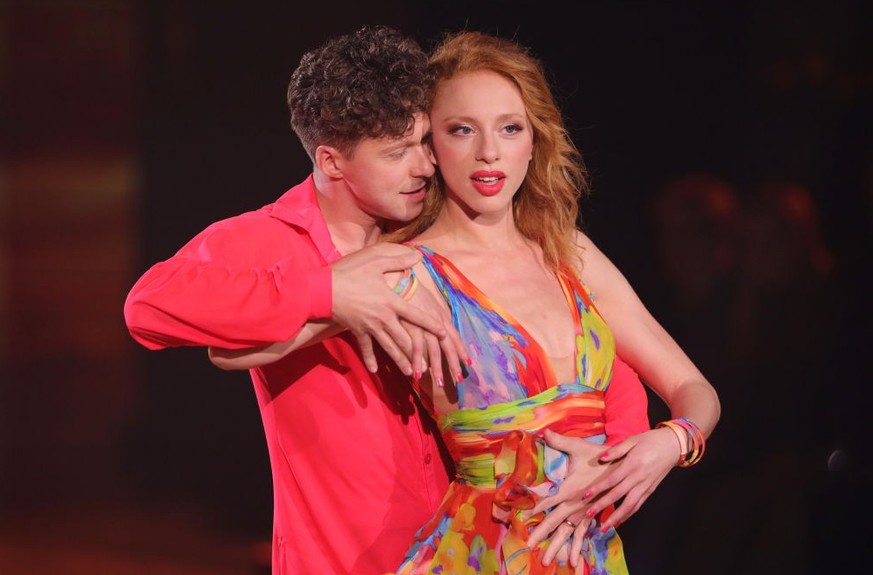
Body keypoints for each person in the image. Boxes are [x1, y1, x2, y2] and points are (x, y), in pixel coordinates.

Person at [124, 25, 650, 575]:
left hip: (472, 548)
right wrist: (329, 291)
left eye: (425, 142)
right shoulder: (272, 238)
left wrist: (620, 457)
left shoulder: (439, 236)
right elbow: (151, 308)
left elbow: (586, 359)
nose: (424, 165)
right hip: (343, 558)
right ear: (331, 162)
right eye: (398, 152)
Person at [381, 31, 720, 573]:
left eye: (509, 128)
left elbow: (694, 390)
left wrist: (669, 445)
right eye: (462, 130)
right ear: (431, 145)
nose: (488, 152)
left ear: (534, 141)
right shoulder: (405, 272)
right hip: (483, 552)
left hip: (590, 550)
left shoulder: (570, 253)